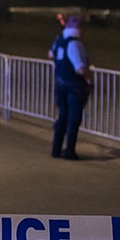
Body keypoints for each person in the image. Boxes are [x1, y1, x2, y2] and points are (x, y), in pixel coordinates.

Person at [48, 13, 90, 160]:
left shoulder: (59, 40)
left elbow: (51, 55)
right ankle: (69, 150)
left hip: (60, 84)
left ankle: (56, 148)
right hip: (74, 87)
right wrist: (89, 79)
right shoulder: (75, 43)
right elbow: (79, 68)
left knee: (62, 116)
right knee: (73, 119)